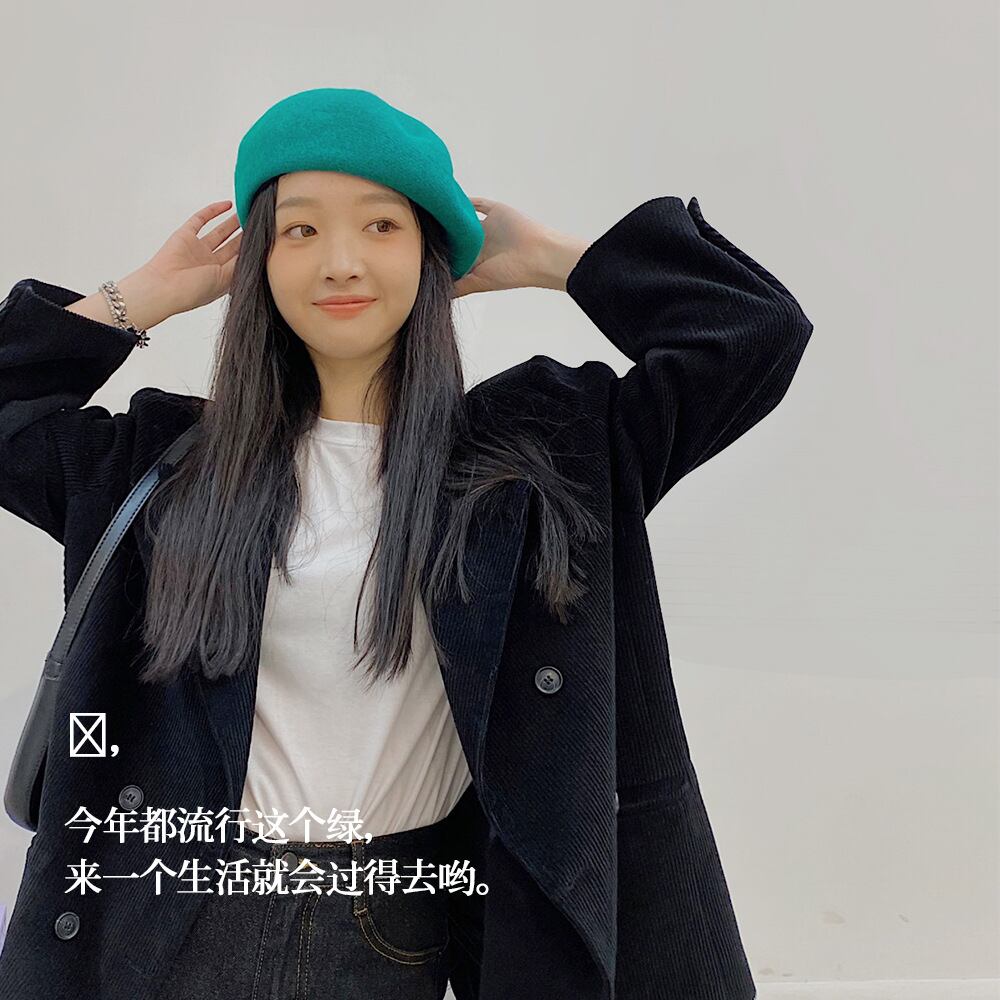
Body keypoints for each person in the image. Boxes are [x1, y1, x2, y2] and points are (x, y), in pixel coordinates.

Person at [0, 87, 813, 1000]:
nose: (341, 262)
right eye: (300, 230)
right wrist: (144, 295)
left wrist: (556, 260)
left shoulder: (545, 459)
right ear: (257, 261)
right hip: (170, 922)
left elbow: (754, 334)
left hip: (396, 923)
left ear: (431, 252)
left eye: (382, 225)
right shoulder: (162, 464)